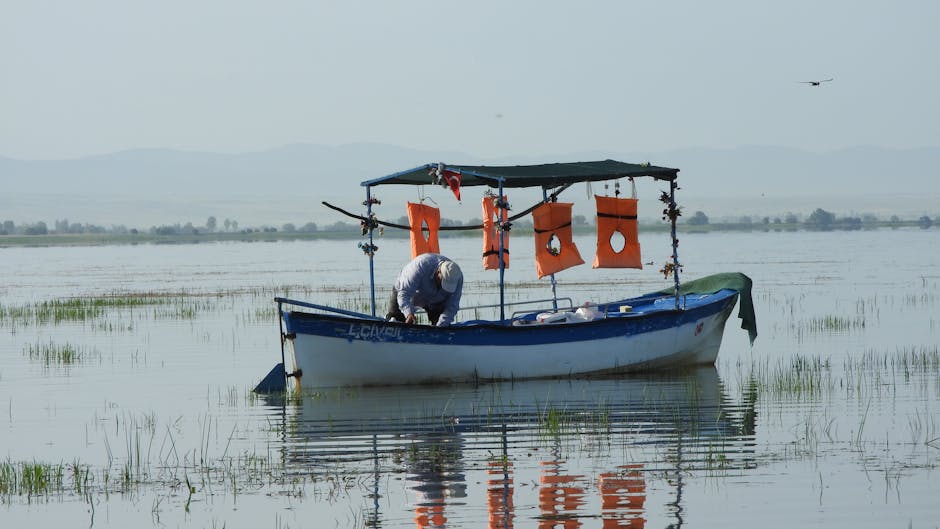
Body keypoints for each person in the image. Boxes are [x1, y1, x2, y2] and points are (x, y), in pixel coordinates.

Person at [387, 253, 463, 326]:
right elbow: (404, 294)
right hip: (408, 292)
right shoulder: (419, 266)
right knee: (395, 320)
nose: (443, 287)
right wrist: (409, 313)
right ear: (438, 272)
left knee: (443, 325)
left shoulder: (457, 277)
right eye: (443, 281)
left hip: (437, 300)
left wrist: (441, 326)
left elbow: (453, 305)